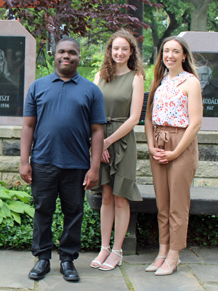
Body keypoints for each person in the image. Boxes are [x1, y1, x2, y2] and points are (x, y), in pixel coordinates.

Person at [19, 36, 106, 282]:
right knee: (42, 211)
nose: (66, 56)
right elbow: (27, 126)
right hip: (43, 162)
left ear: (79, 57)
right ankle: (43, 258)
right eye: (61, 52)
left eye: (71, 52)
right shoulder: (38, 86)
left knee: (74, 212)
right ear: (54, 55)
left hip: (76, 165)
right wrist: (24, 161)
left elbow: (98, 131)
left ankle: (68, 259)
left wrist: (94, 167)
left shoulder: (91, 90)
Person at [144, 36, 202, 276]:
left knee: (178, 204)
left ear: (184, 55)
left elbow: (196, 122)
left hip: (180, 144)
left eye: (175, 51)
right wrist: (150, 146)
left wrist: (176, 152)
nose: (169, 55)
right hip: (158, 142)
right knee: (162, 203)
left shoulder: (191, 82)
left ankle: (174, 255)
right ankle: (162, 251)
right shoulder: (158, 81)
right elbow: (147, 118)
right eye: (166, 51)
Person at [89, 30, 145, 271]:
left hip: (121, 141)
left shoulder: (137, 77)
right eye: (115, 48)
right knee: (107, 196)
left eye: (124, 48)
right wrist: (97, 143)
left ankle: (117, 251)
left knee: (121, 197)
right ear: (109, 51)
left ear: (131, 51)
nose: (119, 53)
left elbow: (134, 119)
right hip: (100, 137)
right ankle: (103, 248)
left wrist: (108, 142)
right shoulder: (99, 76)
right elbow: (90, 112)